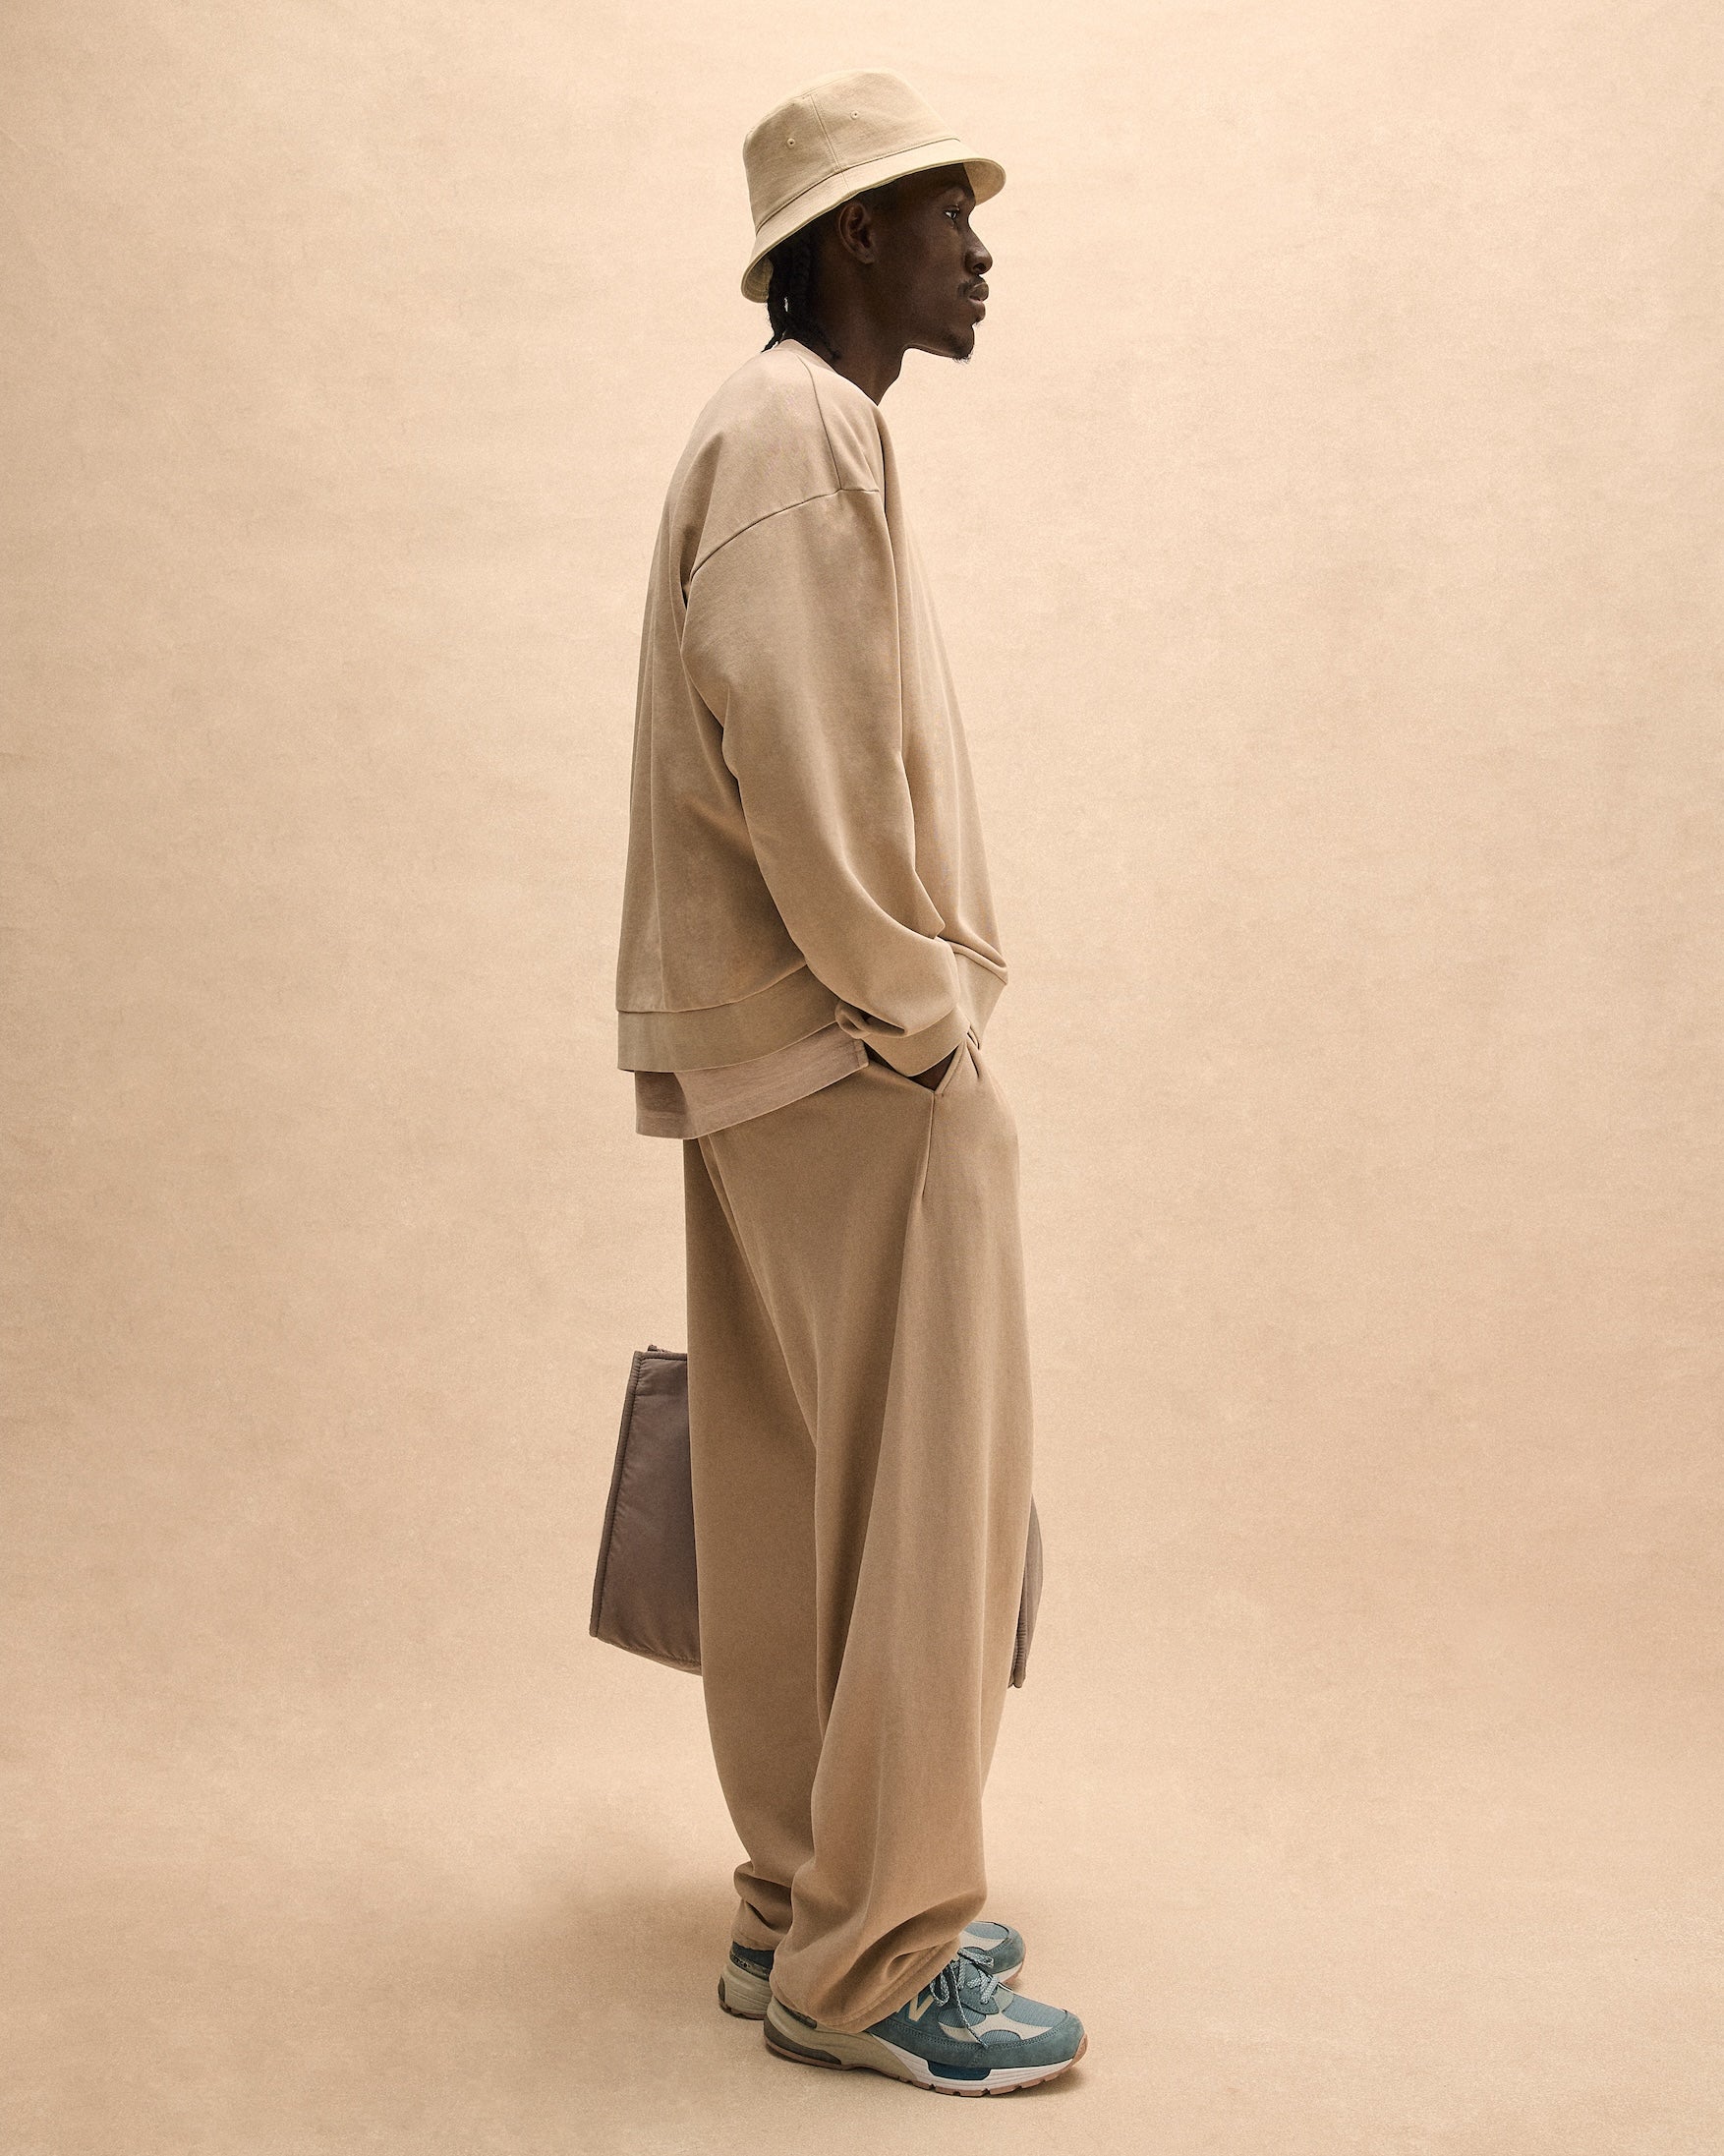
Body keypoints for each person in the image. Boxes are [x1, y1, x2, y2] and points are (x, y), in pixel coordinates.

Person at [612, 67, 1088, 2097]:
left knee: (788, 1482)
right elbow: (802, 761)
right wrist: (920, 1013)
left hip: (755, 1042)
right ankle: (876, 1952)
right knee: (920, 1502)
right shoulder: (803, 431)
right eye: (942, 212)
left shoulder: (770, 424)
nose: (979, 248)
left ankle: (801, 1892)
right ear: (850, 238)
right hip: (842, 1047)